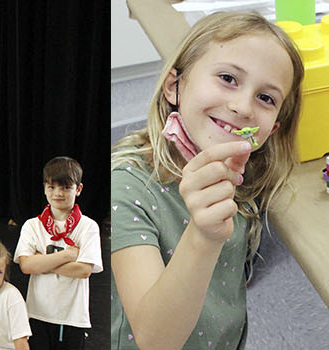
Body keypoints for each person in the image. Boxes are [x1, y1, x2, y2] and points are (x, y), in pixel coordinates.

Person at [109, 12, 304, 349]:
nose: (243, 107)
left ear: (273, 129)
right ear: (175, 86)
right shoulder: (125, 189)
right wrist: (203, 235)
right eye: (228, 78)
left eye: (266, 98)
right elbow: (155, 340)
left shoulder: (244, 174)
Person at [15, 157, 101, 349]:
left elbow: (84, 270)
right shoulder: (32, 225)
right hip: (37, 314)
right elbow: (26, 266)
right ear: (45, 188)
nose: (58, 193)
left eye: (66, 187)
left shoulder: (88, 227)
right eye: (52, 187)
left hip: (72, 318)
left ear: (78, 189)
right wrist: (67, 256)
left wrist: (41, 262)